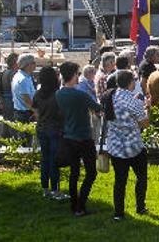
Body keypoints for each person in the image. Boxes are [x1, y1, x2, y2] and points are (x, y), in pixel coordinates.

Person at [56, 61, 103, 216]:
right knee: (91, 173)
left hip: (69, 137)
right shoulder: (80, 95)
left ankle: (74, 205)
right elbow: (98, 108)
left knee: (74, 173)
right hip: (83, 137)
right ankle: (81, 205)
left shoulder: (59, 94)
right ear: (74, 75)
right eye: (78, 74)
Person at [107, 70, 150, 221]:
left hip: (115, 145)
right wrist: (147, 108)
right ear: (131, 83)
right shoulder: (134, 102)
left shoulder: (109, 97)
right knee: (141, 177)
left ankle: (118, 213)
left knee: (120, 181)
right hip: (133, 145)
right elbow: (145, 123)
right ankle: (140, 206)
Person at [32, 66, 67, 200]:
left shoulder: (37, 94)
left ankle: (45, 188)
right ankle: (56, 190)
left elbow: (36, 113)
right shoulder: (57, 95)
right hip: (55, 129)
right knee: (54, 160)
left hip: (41, 128)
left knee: (45, 159)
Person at [12, 54, 37, 128]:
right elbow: (26, 99)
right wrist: (36, 111)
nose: (35, 64)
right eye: (33, 63)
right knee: (25, 138)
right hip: (24, 114)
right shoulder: (23, 79)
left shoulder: (22, 76)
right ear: (27, 65)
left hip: (22, 112)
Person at [0, 53, 19, 130]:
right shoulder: (14, 74)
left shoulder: (4, 73)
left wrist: (1, 101)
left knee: (6, 123)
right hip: (12, 101)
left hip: (5, 100)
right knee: (13, 125)